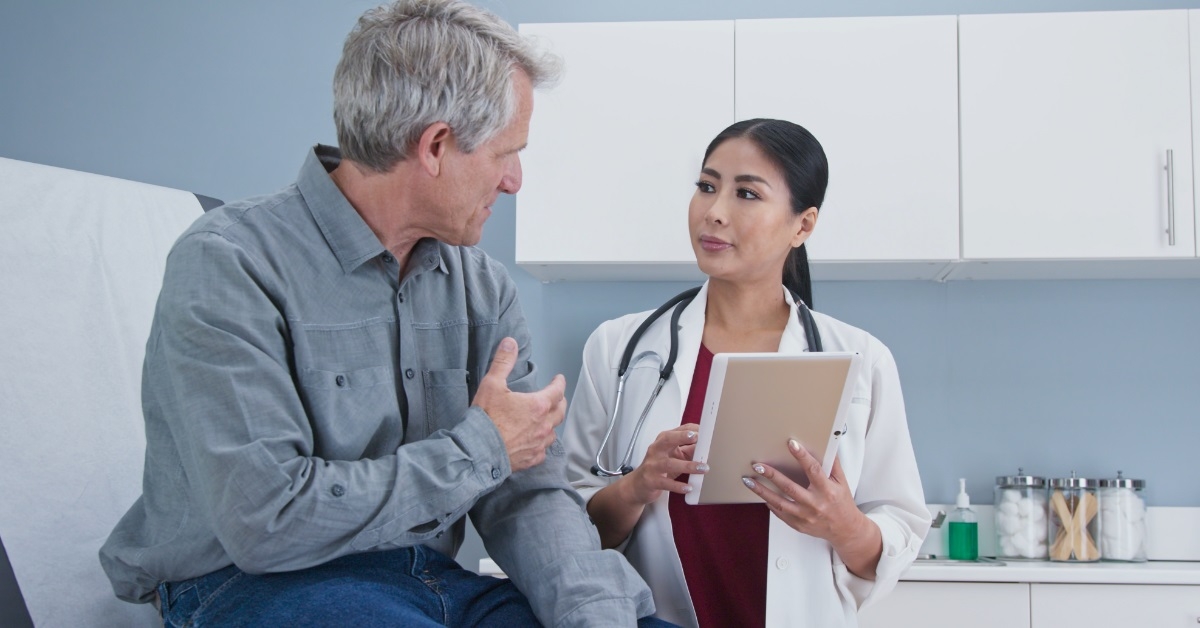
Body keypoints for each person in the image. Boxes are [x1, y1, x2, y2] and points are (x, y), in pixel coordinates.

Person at [99, 1, 663, 626]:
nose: (515, 181)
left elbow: (525, 492)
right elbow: (265, 522)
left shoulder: (482, 287)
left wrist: (593, 613)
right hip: (256, 583)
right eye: (507, 152)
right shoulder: (229, 264)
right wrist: (481, 446)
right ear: (436, 145)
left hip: (428, 580)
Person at [563, 118, 930, 627]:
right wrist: (637, 486)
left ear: (802, 225)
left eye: (747, 194)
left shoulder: (862, 359)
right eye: (707, 187)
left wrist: (843, 525)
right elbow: (566, 530)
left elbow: (896, 532)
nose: (714, 213)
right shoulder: (618, 349)